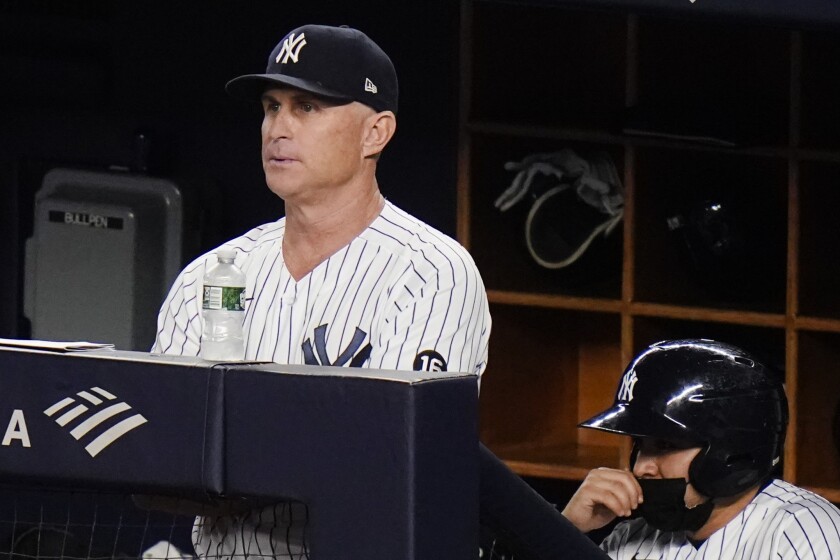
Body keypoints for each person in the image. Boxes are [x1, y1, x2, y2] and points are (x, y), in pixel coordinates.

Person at [151, 23, 491, 558]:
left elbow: (399, 465)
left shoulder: (431, 272)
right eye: (270, 107)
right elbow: (160, 465)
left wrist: (230, 462)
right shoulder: (211, 274)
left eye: (307, 107)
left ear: (374, 133)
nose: (277, 129)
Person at [562, 338, 840, 559]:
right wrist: (564, 529)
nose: (640, 468)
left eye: (664, 445)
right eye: (640, 445)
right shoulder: (630, 539)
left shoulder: (802, 531)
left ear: (729, 451)